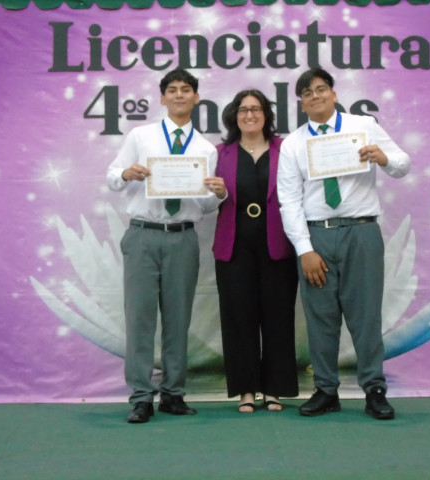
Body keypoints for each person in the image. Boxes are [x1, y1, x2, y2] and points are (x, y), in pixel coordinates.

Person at [277, 68, 410, 420]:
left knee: (365, 315)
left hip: (361, 232)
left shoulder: (363, 126)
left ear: (334, 94)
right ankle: (325, 390)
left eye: (321, 89)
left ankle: (374, 389)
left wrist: (383, 158)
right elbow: (289, 201)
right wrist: (304, 249)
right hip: (317, 237)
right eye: (307, 93)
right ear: (302, 104)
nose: (315, 96)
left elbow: (402, 165)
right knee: (320, 317)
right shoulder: (293, 143)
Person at [107, 68, 227, 424]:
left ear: (196, 98)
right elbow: (113, 177)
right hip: (143, 234)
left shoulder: (205, 148)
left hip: (183, 237)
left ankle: (173, 393)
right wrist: (126, 173)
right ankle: (141, 396)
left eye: (185, 89)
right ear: (162, 98)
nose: (179, 95)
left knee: (178, 318)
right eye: (172, 90)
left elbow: (204, 205)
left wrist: (218, 194)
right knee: (140, 319)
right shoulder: (141, 136)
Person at [213, 90, 299, 413]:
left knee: (278, 317)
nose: (250, 115)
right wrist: (217, 194)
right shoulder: (220, 153)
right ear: (234, 116)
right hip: (234, 247)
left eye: (256, 109)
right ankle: (246, 390)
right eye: (243, 109)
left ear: (266, 114)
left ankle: (274, 388)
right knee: (239, 318)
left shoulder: (285, 149)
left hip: (278, 244)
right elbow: (205, 200)